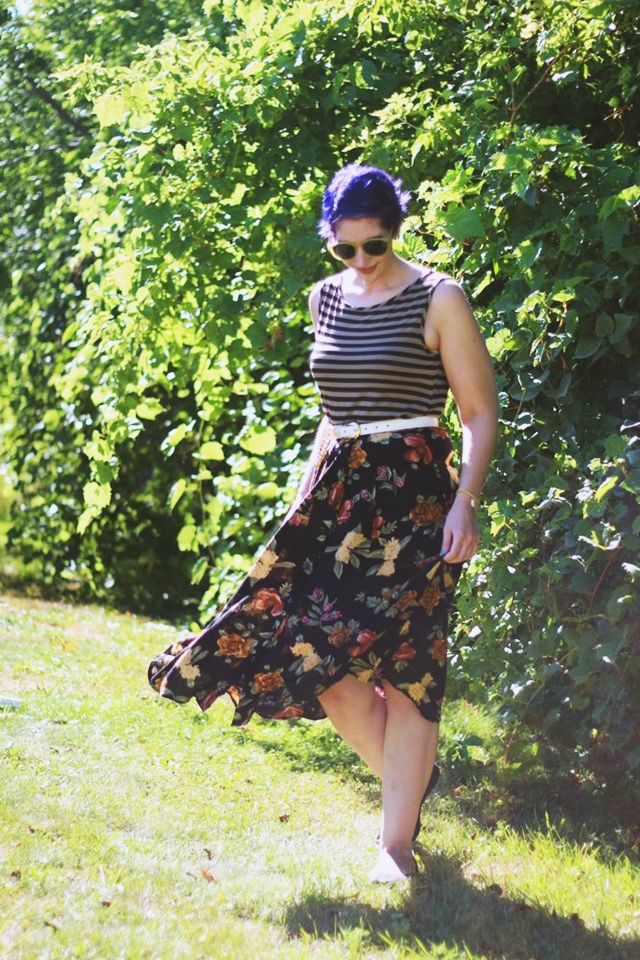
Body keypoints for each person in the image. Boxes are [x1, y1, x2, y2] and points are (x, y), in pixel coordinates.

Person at [148, 164, 498, 883]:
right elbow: (332, 417)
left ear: (394, 230)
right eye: (348, 249)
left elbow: (478, 413)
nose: (363, 260)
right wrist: (303, 495)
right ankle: (412, 782)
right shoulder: (325, 301)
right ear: (330, 238)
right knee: (323, 667)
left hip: (417, 500)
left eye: (377, 244)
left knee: (410, 671)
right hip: (340, 501)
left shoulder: (439, 297)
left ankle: (393, 845)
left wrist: (467, 499)